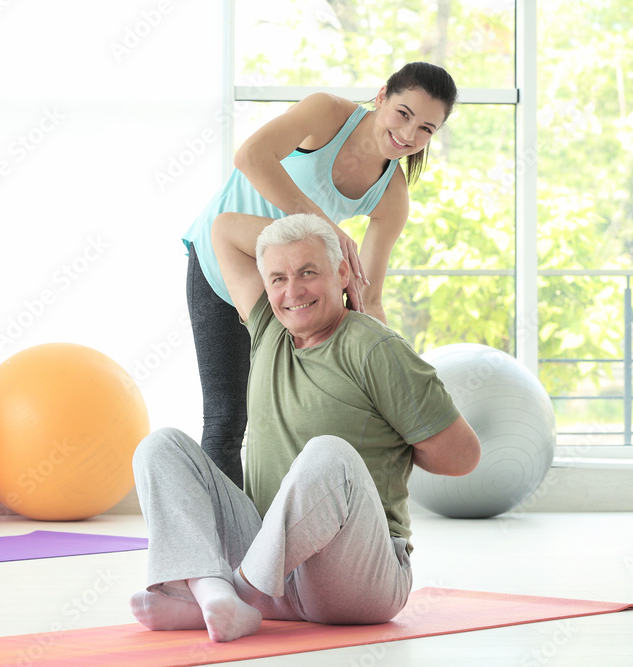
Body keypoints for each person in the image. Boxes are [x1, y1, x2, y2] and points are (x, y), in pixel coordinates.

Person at [130, 214, 480, 643]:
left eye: (308, 272)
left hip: (356, 580)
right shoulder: (268, 327)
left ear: (342, 272)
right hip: (271, 565)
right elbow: (221, 231)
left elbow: (463, 457)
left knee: (328, 453)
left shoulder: (374, 347)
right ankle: (213, 592)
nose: (291, 291)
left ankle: (223, 596)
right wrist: (327, 234)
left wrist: (396, 441)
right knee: (160, 446)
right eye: (278, 278)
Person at [183, 62, 459, 488]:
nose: (408, 136)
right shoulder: (328, 113)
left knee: (281, 421)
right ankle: (218, 550)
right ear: (382, 95)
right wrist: (326, 227)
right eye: (403, 114)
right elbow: (251, 156)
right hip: (221, 263)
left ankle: (271, 544)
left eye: (425, 129)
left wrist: (386, 371)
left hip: (283, 293)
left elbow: (370, 295)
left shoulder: (391, 195)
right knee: (225, 418)